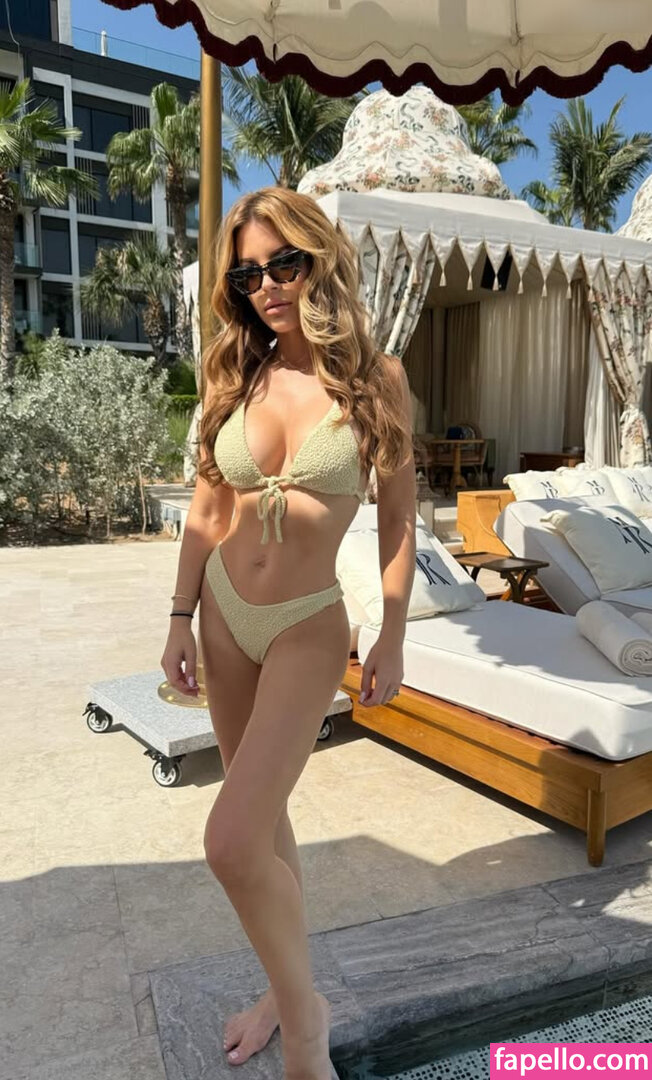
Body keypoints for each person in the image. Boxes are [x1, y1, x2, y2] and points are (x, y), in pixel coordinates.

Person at [160, 186, 416, 1080]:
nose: (266, 285)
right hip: (224, 614)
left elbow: (397, 518)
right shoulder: (237, 372)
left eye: (283, 264)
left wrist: (391, 631)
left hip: (308, 624)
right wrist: (179, 616)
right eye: (247, 274)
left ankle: (305, 1025)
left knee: (230, 841)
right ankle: (285, 993)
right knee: (262, 824)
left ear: (319, 259)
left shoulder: (378, 380)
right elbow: (207, 509)